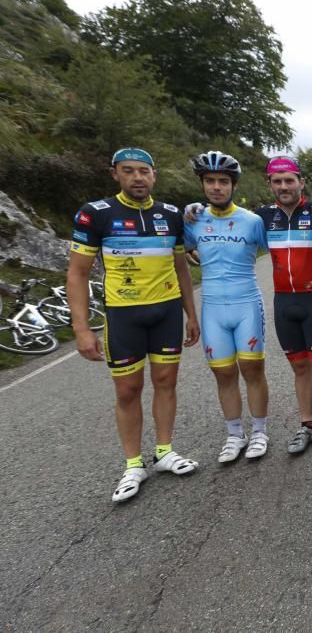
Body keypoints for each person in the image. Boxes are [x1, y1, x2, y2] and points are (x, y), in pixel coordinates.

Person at [68, 148, 200, 502]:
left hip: (167, 311)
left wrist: (192, 313)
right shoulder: (96, 214)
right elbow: (77, 274)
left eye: (144, 171)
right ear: (116, 174)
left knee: (166, 381)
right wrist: (81, 329)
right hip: (123, 314)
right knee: (128, 390)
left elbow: (182, 268)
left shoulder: (170, 214)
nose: (137, 178)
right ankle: (133, 464)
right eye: (129, 171)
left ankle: (164, 451)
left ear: (154, 175)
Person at [257, 156, 312, 455]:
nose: (284, 186)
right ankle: (307, 426)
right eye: (277, 181)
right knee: (299, 367)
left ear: (301, 182)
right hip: (284, 300)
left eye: (289, 180)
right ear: (269, 184)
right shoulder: (263, 217)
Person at [185, 151, 270, 463]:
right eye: (210, 181)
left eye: (223, 181)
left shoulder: (252, 221)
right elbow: (186, 251)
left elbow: (275, 249)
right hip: (212, 308)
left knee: (252, 368)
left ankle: (260, 430)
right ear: (203, 184)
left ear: (233, 185)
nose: (216, 187)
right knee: (223, 374)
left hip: (247, 302)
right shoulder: (193, 220)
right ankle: (235, 434)